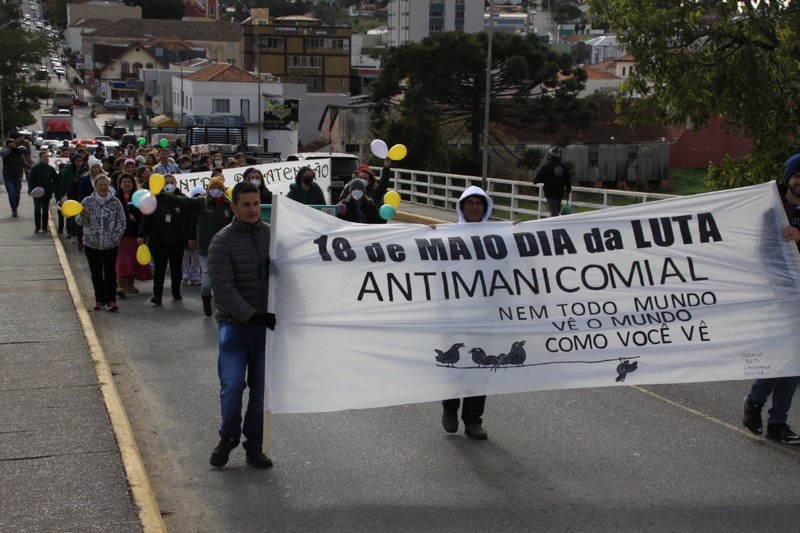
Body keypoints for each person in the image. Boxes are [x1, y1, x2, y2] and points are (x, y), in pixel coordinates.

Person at [207, 181, 275, 469]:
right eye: (246, 204)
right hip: (234, 327)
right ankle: (229, 436)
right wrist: (252, 315)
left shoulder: (272, 236)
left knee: (261, 391)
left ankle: (254, 445)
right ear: (234, 207)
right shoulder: (221, 242)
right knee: (233, 386)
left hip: (266, 330)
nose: (252, 209)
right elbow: (223, 289)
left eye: (256, 204)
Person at [741, 154, 800, 445]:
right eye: (797, 175)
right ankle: (756, 403)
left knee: (796, 361)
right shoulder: (773, 213)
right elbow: (764, 254)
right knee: (786, 356)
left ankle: (776, 421)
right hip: (783, 297)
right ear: (788, 178)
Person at [441, 185, 495, 440]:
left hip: (484, 316)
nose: (474, 207)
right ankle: (450, 408)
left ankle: (473, 420)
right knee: (453, 364)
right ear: (461, 207)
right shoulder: (447, 237)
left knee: (479, 366)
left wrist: (517, 234)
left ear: (485, 207)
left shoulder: (497, 238)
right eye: (470, 203)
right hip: (453, 314)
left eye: (479, 203)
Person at [138, 174, 193, 306]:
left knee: (176, 268)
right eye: (166, 182)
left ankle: (176, 292)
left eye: (171, 182)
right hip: (159, 241)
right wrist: (141, 234)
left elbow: (190, 220)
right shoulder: (155, 199)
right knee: (159, 269)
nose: (169, 185)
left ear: (176, 184)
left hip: (178, 240)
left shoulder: (183, 199)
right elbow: (146, 218)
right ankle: (157, 295)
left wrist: (191, 237)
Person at [75, 174, 126, 312]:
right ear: (95, 186)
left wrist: (114, 238)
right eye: (100, 185)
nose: (103, 187)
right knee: (96, 273)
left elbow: (121, 222)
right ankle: (100, 300)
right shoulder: (87, 201)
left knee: (110, 273)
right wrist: (83, 215)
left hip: (111, 245)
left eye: (105, 185)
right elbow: (79, 222)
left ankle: (111, 300)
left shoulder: (115, 202)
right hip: (91, 244)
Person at [114, 173, 152, 297]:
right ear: (120, 184)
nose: (127, 184)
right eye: (124, 182)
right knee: (123, 259)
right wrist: (126, 214)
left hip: (136, 234)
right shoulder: (116, 198)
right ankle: (121, 285)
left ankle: (130, 285)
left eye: (129, 182)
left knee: (134, 260)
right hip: (122, 235)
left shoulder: (139, 197)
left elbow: (145, 214)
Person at [26, 150, 59, 233]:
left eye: (47, 157)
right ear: (40, 158)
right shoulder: (35, 168)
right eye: (44, 157)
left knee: (45, 210)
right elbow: (31, 180)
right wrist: (30, 190)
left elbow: (56, 180)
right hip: (36, 192)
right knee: (37, 209)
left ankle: (44, 227)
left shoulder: (50, 169)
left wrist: (54, 190)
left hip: (47, 192)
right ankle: (37, 227)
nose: (46, 158)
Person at [534, 146, 571, 217]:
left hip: (550, 192)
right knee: (557, 210)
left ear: (550, 156)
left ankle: (555, 222)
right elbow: (568, 180)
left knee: (554, 211)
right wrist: (568, 190)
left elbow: (537, 180)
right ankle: (557, 221)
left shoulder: (547, 166)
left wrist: (541, 180)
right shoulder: (564, 167)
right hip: (560, 191)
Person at [181, 185, 205, 287]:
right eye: (196, 196)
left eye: (201, 195)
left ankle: (195, 277)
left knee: (196, 257)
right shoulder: (187, 208)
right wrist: (190, 237)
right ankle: (185, 277)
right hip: (186, 234)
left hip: (199, 234)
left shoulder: (204, 208)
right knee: (185, 257)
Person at [1, 139, 30, 217]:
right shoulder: (4, 152)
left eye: (12, 143)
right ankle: (14, 210)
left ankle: (15, 207)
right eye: (9, 143)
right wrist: (11, 149)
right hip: (8, 177)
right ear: (7, 145)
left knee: (17, 195)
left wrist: (32, 168)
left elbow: (24, 162)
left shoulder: (19, 152)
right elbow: (3, 154)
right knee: (11, 193)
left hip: (17, 177)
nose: (11, 144)